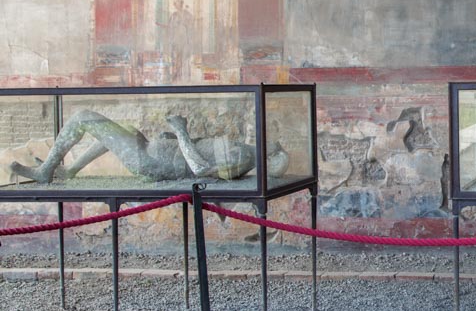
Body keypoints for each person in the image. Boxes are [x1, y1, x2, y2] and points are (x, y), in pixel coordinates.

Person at [9, 111, 289, 184]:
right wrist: (174, 136)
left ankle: (46, 171)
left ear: (269, 154)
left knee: (83, 116)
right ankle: (68, 171)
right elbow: (203, 151)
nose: (267, 137)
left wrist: (181, 131)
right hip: (156, 150)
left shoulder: (241, 156)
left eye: (271, 143)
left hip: (150, 161)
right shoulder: (244, 151)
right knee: (127, 131)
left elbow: (201, 170)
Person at [166, 0, 195, 82]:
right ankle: (176, 76)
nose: (178, 4)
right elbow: (170, 29)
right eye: (176, 3)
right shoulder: (173, 16)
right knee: (176, 59)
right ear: (174, 5)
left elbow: (191, 24)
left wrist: (185, 23)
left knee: (185, 59)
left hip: (184, 40)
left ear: (182, 3)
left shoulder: (187, 14)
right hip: (176, 40)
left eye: (179, 2)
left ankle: (186, 79)